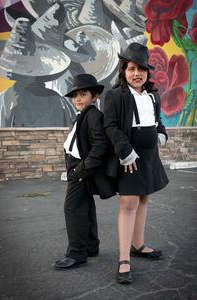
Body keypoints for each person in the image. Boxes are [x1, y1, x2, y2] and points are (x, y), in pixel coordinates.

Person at [103, 43, 169, 284]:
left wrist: (161, 134)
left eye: (142, 68)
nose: (137, 73)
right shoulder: (115, 95)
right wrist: (125, 151)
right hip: (129, 155)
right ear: (124, 71)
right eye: (132, 68)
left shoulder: (153, 95)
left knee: (143, 197)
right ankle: (123, 259)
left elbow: (157, 121)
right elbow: (110, 126)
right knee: (129, 201)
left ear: (148, 72)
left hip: (150, 154)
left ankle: (138, 244)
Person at [54, 74, 115, 270]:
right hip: (78, 167)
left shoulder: (94, 115)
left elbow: (100, 145)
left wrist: (81, 169)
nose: (78, 99)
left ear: (95, 96)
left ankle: (77, 252)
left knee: (72, 209)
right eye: (75, 95)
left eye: (83, 94)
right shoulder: (83, 115)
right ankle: (90, 246)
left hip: (81, 169)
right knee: (86, 207)